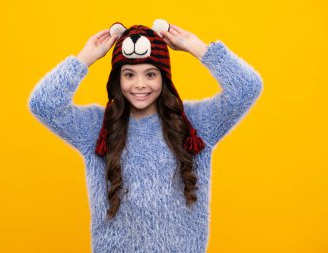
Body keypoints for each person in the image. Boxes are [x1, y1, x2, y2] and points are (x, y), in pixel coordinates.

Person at [28, 19, 263, 253]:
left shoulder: (194, 124)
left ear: (164, 77)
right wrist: (85, 58)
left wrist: (196, 46)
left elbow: (246, 89)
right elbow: (43, 104)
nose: (140, 84)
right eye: (129, 75)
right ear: (117, 80)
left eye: (151, 74)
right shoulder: (96, 128)